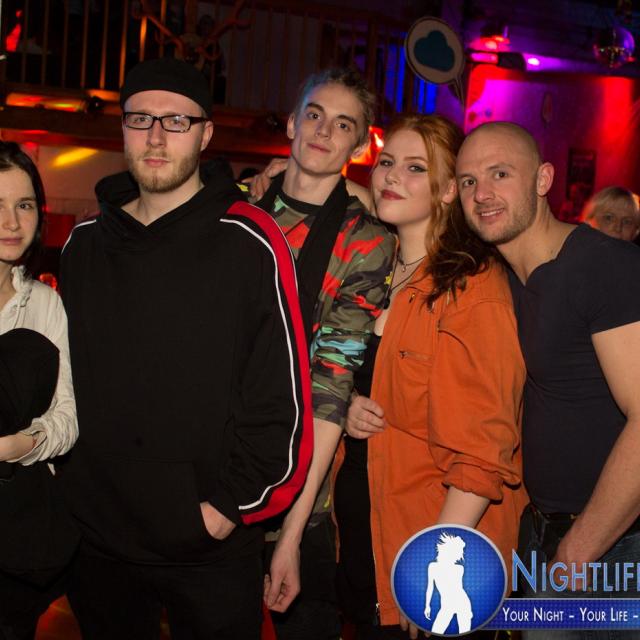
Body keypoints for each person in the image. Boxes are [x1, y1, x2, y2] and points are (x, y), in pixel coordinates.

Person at [58, 57, 313, 640]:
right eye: (140, 118)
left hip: (208, 549)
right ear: (123, 128)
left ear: (205, 134)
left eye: (176, 121)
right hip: (98, 544)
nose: (155, 136)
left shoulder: (250, 240)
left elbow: (281, 397)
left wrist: (227, 509)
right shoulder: (84, 245)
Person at [334, 114, 527, 639]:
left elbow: (484, 451)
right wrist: (347, 404)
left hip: (429, 555)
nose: (392, 175)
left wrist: (431, 567)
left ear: (447, 190)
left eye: (415, 168)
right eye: (387, 162)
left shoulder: (471, 287)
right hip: (367, 547)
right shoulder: (376, 269)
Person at [456, 121, 640, 639]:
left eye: (500, 174)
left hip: (613, 551)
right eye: (468, 181)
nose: (482, 193)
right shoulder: (506, 277)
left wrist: (578, 553)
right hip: (542, 538)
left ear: (543, 180)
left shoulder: (604, 266)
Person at [249, 67, 395, 640]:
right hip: (209, 476)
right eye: (314, 115)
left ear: (359, 146)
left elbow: (331, 385)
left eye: (343, 124)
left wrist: (292, 530)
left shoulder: (366, 240)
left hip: (297, 489)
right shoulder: (235, 211)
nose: (324, 131)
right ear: (292, 123)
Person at [0, 141, 78, 640]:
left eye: (24, 204)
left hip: (14, 536)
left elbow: (68, 416)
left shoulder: (46, 304)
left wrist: (18, 445)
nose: (12, 222)